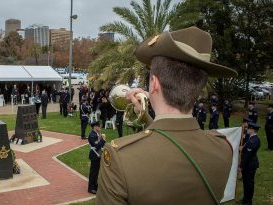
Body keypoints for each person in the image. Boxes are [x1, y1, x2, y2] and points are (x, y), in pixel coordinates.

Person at [96, 27, 236, 204]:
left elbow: (166, 145)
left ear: (154, 84)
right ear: (198, 88)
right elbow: (174, 143)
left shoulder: (120, 157)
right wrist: (145, 115)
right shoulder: (223, 147)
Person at [240, 122, 260, 205]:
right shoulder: (252, 138)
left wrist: (241, 166)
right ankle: (245, 199)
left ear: (252, 129)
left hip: (249, 166)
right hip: (250, 164)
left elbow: (246, 157)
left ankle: (248, 201)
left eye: (248, 128)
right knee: (246, 183)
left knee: (248, 184)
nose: (247, 129)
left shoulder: (253, 141)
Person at [88, 121, 106, 194]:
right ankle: (91, 188)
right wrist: (103, 139)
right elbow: (97, 146)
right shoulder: (92, 135)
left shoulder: (97, 134)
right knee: (93, 172)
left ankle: (95, 185)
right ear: (95, 127)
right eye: (99, 126)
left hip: (97, 155)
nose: (100, 127)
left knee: (96, 171)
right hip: (94, 155)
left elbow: (100, 146)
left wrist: (101, 138)